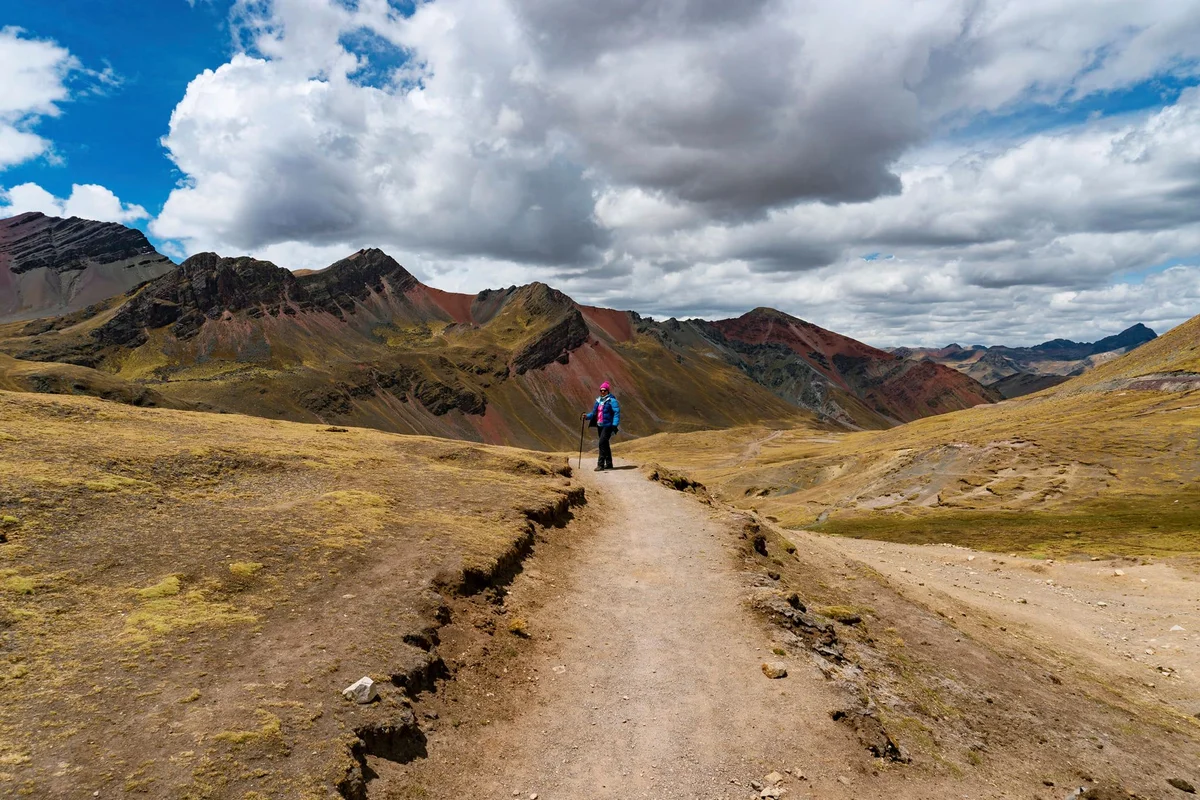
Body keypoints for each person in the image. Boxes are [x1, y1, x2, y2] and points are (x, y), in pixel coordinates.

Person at [582, 381, 621, 471]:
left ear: (608, 391)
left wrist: (614, 425)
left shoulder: (612, 401)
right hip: (600, 425)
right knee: (605, 444)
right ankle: (609, 463)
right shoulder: (598, 401)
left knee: (601, 443)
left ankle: (600, 465)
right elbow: (594, 413)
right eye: (601, 390)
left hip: (608, 425)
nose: (602, 392)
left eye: (604, 390)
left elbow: (616, 413)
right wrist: (586, 416)